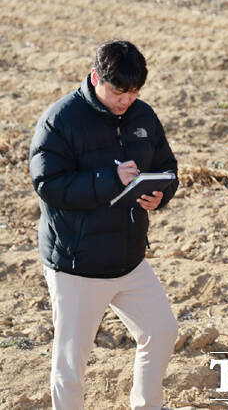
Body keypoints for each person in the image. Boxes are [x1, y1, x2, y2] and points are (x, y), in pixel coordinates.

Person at [29, 40, 179, 409]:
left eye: (134, 91)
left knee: (161, 331)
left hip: (129, 258)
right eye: (118, 91)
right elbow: (48, 184)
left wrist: (161, 194)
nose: (126, 100)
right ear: (96, 78)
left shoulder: (143, 117)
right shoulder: (60, 120)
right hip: (77, 264)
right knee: (71, 364)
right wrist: (109, 179)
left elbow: (167, 166)